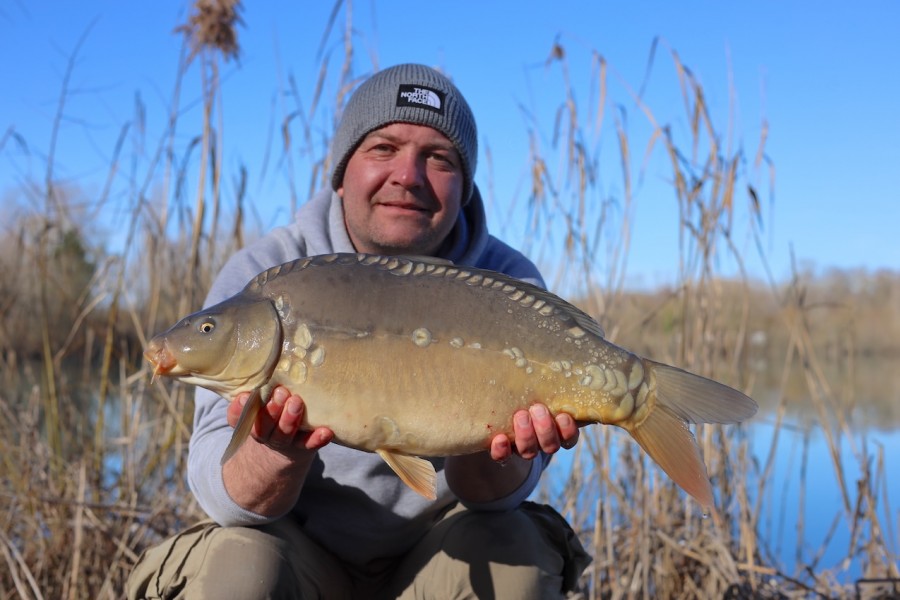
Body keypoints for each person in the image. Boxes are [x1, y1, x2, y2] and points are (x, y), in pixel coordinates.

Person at [127, 63, 590, 599]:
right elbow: (223, 497)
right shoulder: (266, 275)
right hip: (302, 556)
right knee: (233, 563)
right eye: (383, 148)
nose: (408, 176)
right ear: (343, 171)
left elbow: (493, 501)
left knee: (516, 552)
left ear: (464, 187)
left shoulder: (504, 286)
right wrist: (276, 451)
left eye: (438, 158)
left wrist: (497, 447)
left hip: (441, 556)